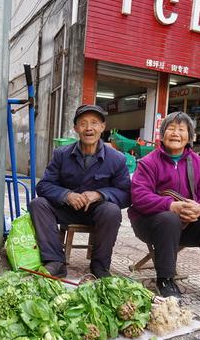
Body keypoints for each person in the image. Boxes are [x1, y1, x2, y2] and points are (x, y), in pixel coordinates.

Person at [128, 112, 200, 312]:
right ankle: (165, 280)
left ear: (189, 136)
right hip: (151, 223)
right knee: (169, 219)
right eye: (171, 128)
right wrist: (170, 206)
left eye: (181, 129)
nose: (176, 133)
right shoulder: (149, 162)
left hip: (186, 224)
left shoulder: (199, 164)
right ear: (162, 134)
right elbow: (139, 196)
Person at [29, 104, 131, 278]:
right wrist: (66, 195)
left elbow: (126, 194)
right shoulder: (62, 154)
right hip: (66, 209)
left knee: (112, 210)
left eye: (94, 123)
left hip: (96, 212)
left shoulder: (117, 159)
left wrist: (100, 194)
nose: (89, 128)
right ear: (76, 128)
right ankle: (55, 261)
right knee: (38, 204)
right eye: (83, 123)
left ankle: (100, 266)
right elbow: (44, 185)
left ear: (102, 127)